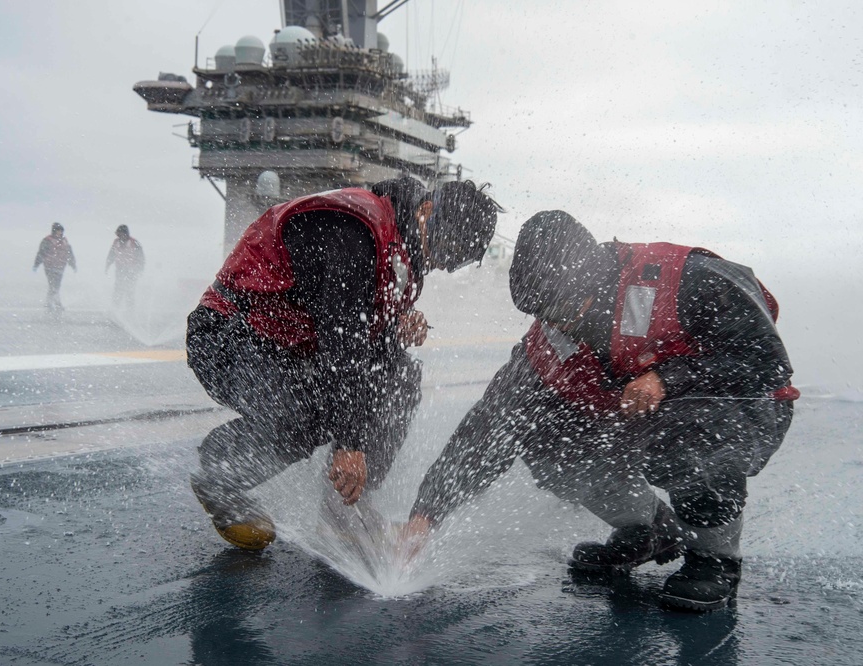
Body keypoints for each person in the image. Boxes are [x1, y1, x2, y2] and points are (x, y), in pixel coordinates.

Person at [400, 210, 798, 612]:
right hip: (636, 418)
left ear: (593, 281)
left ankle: (714, 558)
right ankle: (649, 530)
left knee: (686, 434)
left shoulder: (686, 278)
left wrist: (668, 379)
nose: (558, 325)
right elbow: (493, 423)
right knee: (547, 441)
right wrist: (426, 516)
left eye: (563, 310)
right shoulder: (550, 338)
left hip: (739, 407)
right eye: (544, 315)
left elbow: (766, 364)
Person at [186, 177, 500, 551]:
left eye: (453, 262)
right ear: (426, 210)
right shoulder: (352, 232)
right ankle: (221, 472)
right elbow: (343, 343)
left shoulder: (399, 241)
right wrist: (350, 444)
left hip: (287, 349)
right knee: (310, 413)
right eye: (445, 249)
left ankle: (344, 505)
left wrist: (395, 325)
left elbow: (372, 347)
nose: (438, 262)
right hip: (228, 337)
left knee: (400, 378)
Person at [33, 222, 76, 312]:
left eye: (61, 231)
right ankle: (54, 303)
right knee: (53, 285)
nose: (60, 232)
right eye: (58, 231)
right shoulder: (47, 241)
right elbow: (41, 252)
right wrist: (36, 264)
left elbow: (69, 254)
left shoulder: (64, 241)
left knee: (56, 285)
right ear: (54, 231)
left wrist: (73, 264)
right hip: (50, 267)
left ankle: (51, 302)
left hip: (60, 267)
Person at [105, 224, 145, 308]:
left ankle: (129, 311)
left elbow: (141, 257)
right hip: (120, 269)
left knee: (129, 291)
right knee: (118, 289)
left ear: (126, 234)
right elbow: (111, 255)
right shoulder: (116, 242)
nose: (119, 236)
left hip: (132, 270)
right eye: (118, 234)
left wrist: (140, 269)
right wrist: (107, 265)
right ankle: (115, 308)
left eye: (121, 234)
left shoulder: (134, 243)